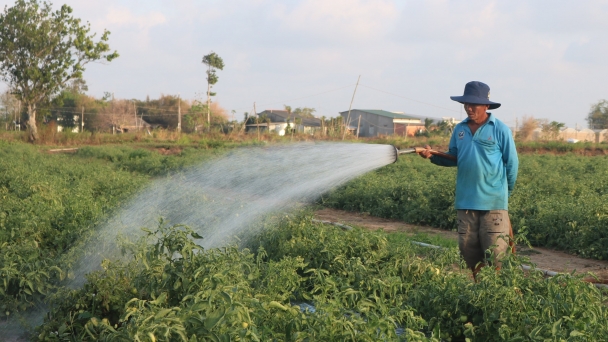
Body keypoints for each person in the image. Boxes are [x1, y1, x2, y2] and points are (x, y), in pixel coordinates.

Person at [419, 81, 518, 278]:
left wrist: (504, 193)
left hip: (493, 203)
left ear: (486, 106)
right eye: (466, 104)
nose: (469, 108)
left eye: (474, 104)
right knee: (469, 252)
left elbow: (512, 164)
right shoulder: (460, 130)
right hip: (466, 202)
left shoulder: (500, 130)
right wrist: (432, 157)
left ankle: (497, 291)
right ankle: (479, 287)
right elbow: (454, 158)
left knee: (496, 253)